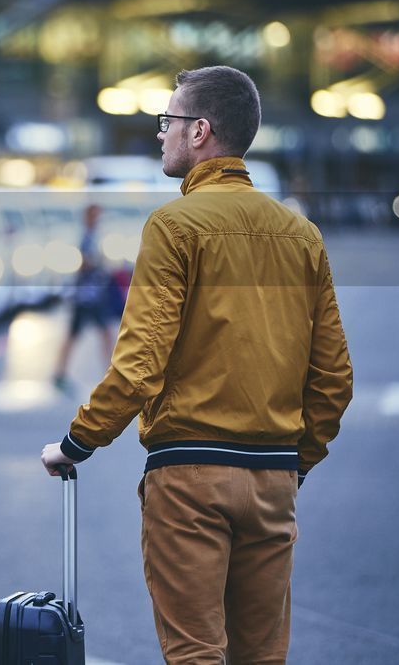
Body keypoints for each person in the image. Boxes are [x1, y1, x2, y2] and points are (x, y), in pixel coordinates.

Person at [40, 66, 354, 664]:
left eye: (169, 122)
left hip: (188, 479)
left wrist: (76, 443)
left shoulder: (174, 226)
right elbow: (334, 377)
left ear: (200, 131)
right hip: (272, 480)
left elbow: (139, 364)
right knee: (261, 657)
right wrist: (295, 465)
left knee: (195, 654)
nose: (161, 134)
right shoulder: (301, 235)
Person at [51, 203, 116, 392]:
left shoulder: (92, 236)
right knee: (94, 334)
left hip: (91, 295)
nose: (99, 219)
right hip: (88, 296)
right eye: (96, 215)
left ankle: (61, 373)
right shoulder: (87, 238)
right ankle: (61, 373)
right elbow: (84, 263)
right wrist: (98, 265)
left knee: (100, 334)